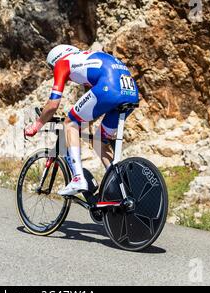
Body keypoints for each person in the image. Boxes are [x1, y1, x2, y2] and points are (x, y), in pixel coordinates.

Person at [24, 45, 139, 196]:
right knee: (99, 141)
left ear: (55, 60)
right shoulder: (85, 58)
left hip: (109, 88)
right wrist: (85, 125)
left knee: (69, 123)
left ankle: (78, 178)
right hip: (131, 93)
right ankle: (121, 187)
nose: (54, 71)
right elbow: (91, 105)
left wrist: (36, 126)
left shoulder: (62, 63)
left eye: (52, 68)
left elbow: (53, 104)